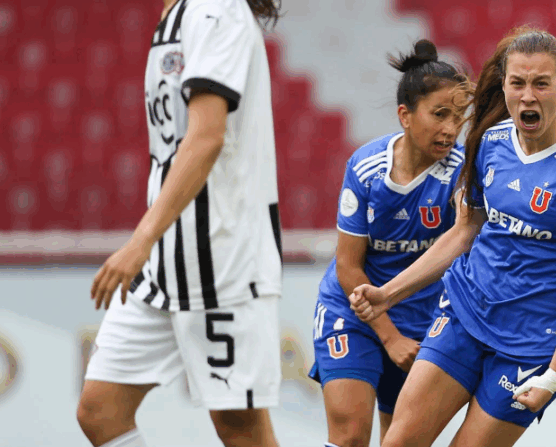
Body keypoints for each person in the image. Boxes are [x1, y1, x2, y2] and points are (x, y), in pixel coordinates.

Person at [349, 27, 556, 447]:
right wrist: (389, 294)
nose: (527, 96)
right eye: (518, 83)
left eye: (541, 83)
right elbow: (465, 230)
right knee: (398, 442)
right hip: (464, 314)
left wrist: (555, 373)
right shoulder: (492, 141)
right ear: (505, 86)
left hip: (529, 346)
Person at [77, 1, 283, 446]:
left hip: (222, 259)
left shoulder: (218, 10)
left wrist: (140, 240)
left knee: (239, 428)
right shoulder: (176, 15)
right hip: (167, 261)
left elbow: (207, 137)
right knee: (99, 409)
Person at [309, 40, 469, 447]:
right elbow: (348, 267)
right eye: (439, 114)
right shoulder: (366, 168)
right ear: (405, 115)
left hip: (422, 321)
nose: (451, 128)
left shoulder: (462, 172)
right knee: (348, 436)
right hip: (354, 310)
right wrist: (389, 335)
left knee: (399, 440)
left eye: (459, 116)